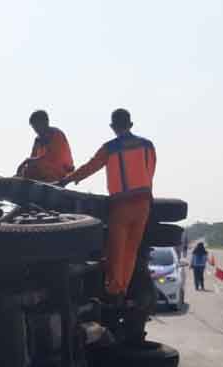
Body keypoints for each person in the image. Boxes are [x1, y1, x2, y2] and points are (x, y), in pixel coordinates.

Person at [60, 108, 156, 302]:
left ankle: (114, 290)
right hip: (143, 204)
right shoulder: (148, 146)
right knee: (131, 249)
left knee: (116, 250)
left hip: (122, 204)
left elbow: (90, 167)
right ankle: (123, 288)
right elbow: (150, 171)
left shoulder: (110, 148)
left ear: (113, 126)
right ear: (130, 124)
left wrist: (67, 179)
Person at [15, 110, 75, 183]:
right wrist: (24, 166)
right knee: (27, 170)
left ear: (46, 123)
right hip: (45, 171)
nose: (36, 130)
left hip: (61, 172)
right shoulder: (38, 139)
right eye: (34, 127)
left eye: (37, 126)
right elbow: (33, 157)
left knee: (31, 167)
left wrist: (28, 161)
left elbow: (52, 157)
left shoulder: (56, 134)